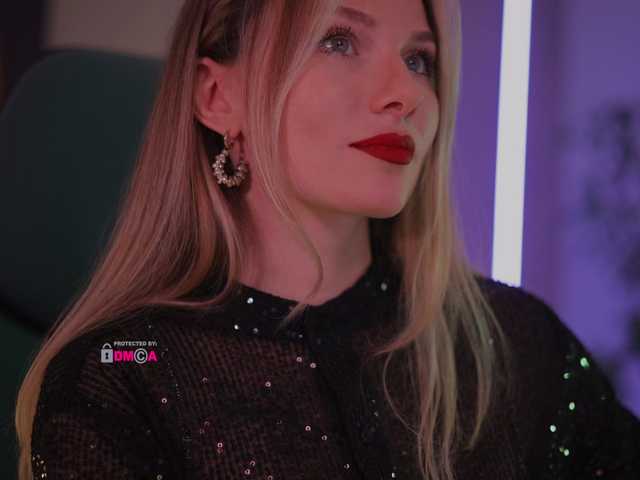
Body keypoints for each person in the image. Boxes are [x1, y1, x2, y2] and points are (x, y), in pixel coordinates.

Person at [14, 0, 640, 479]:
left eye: (419, 60)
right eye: (339, 41)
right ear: (217, 95)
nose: (405, 95)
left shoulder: (516, 345)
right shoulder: (126, 369)